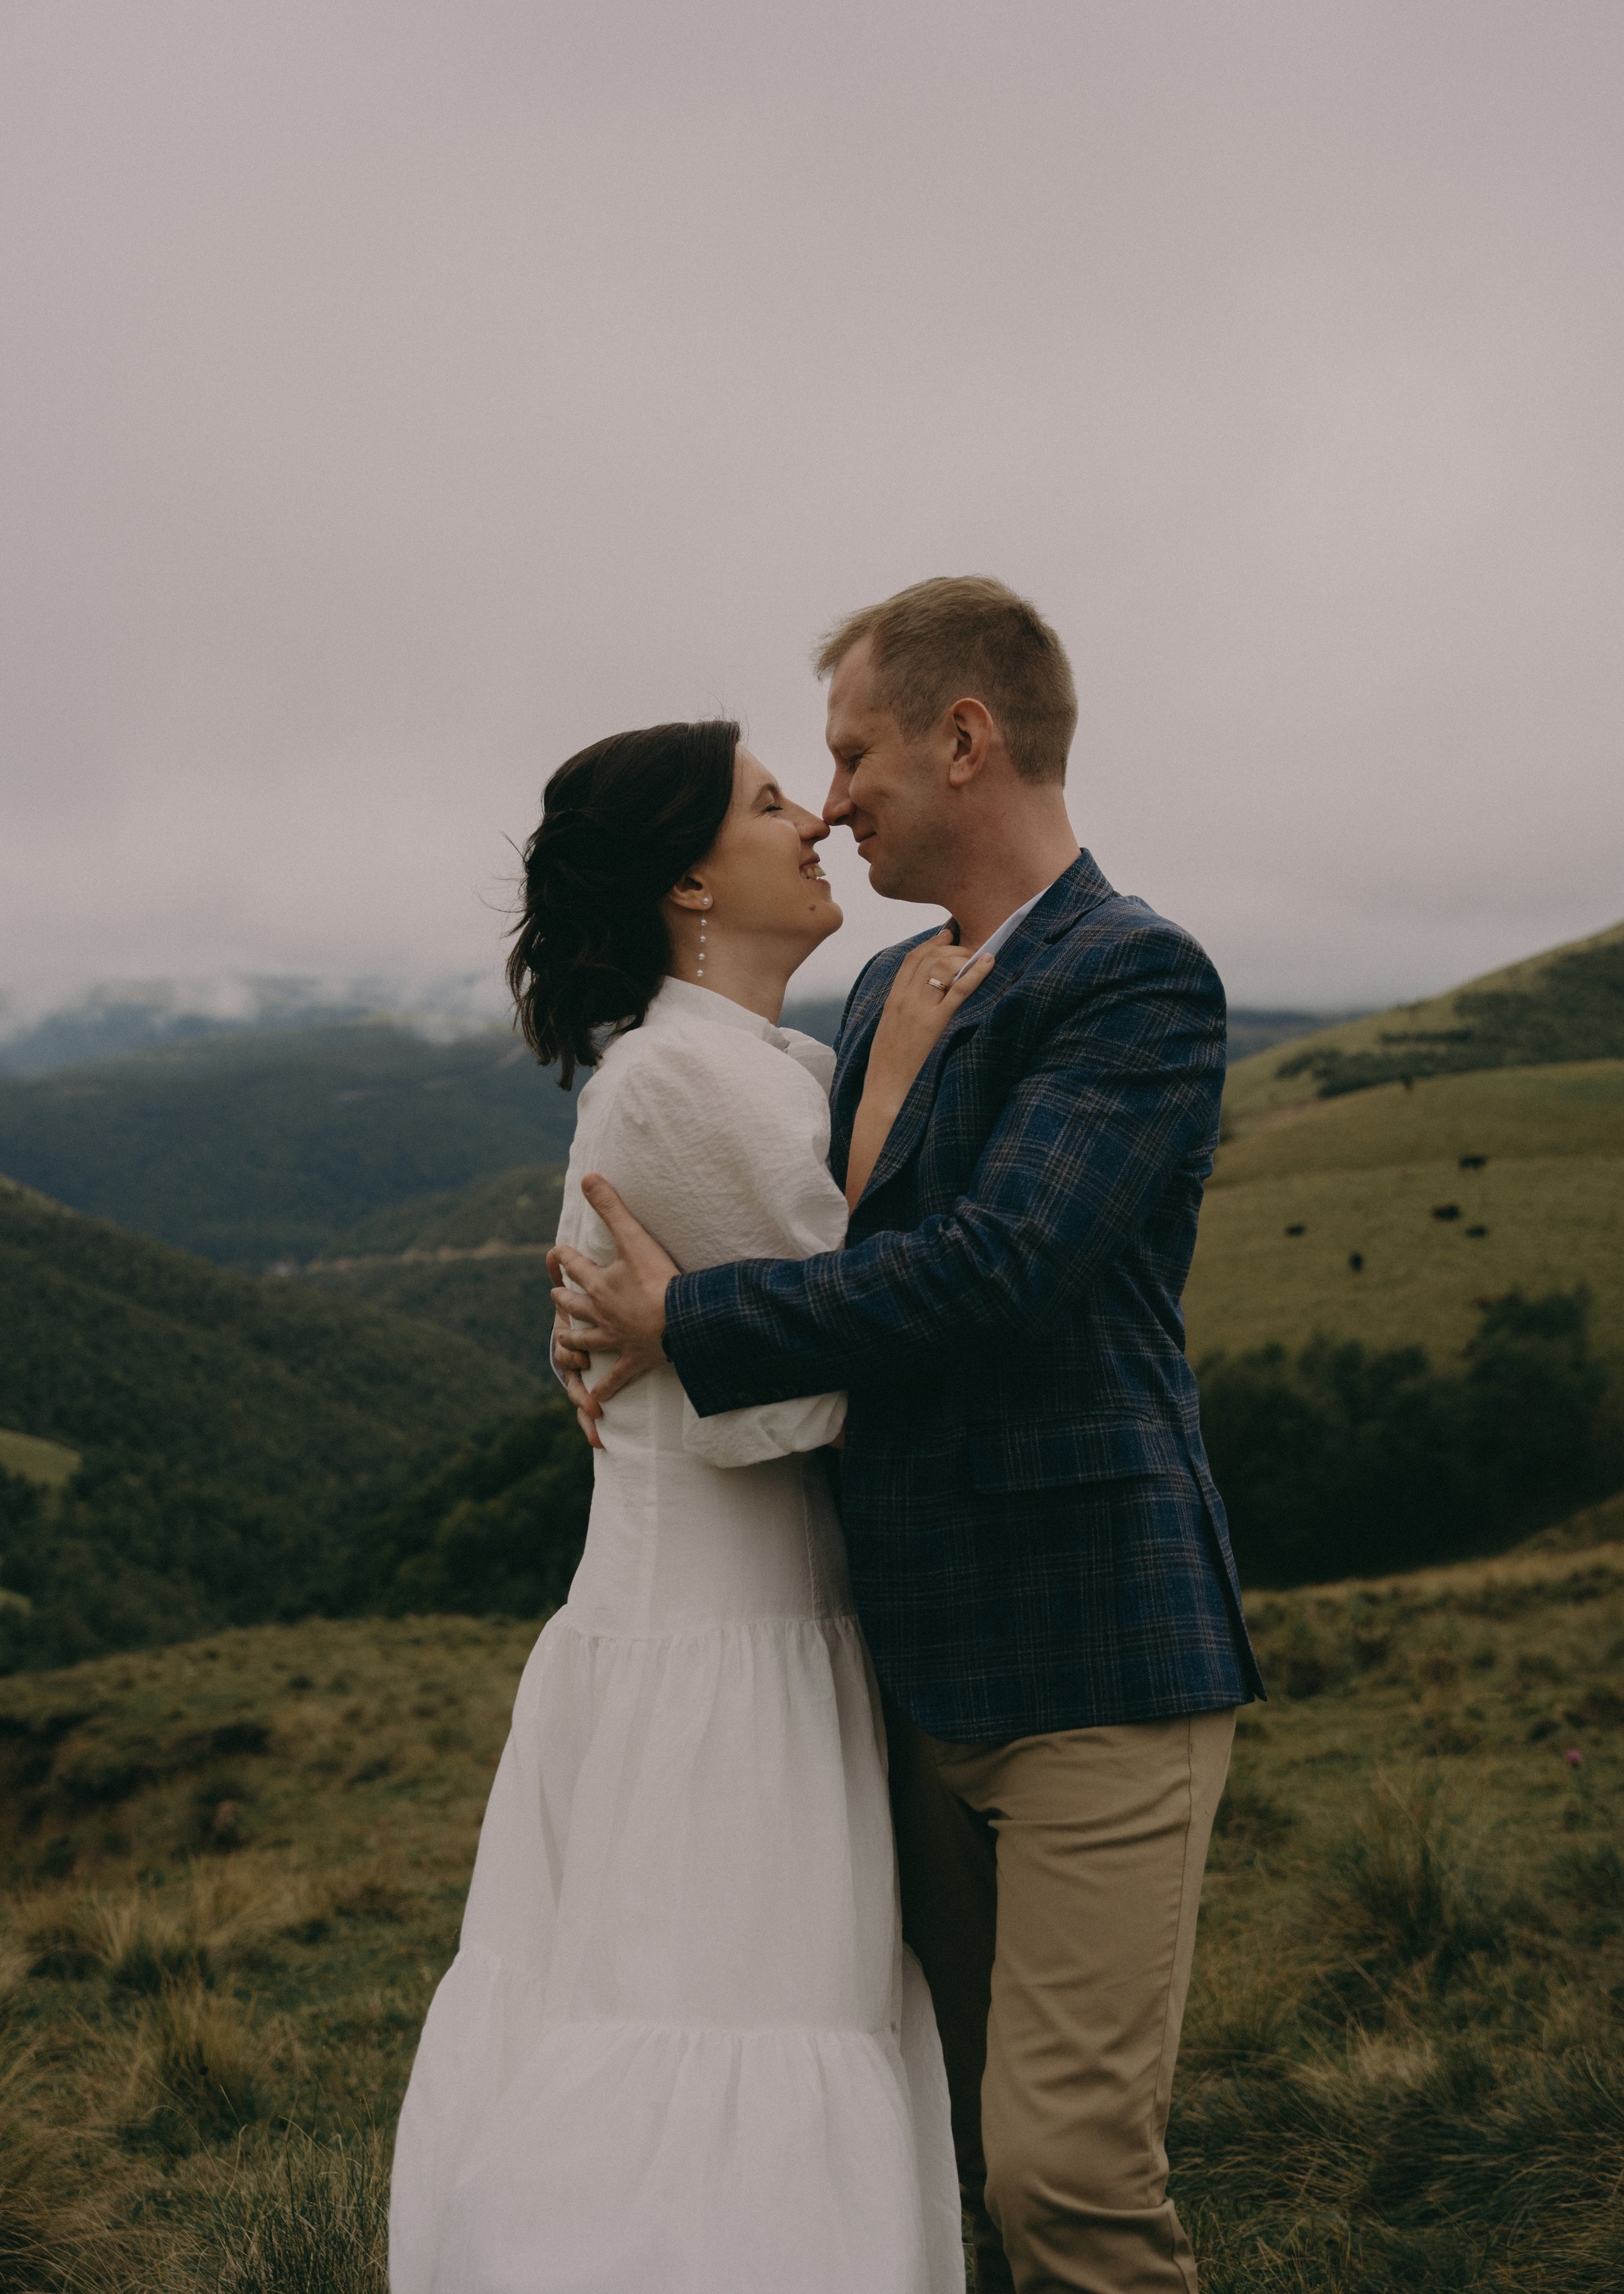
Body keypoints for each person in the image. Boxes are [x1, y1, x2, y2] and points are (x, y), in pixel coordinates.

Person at [554, 577, 1265, 2294]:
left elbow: (1001, 1269)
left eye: (853, 751)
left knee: (1066, 2172)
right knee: (941, 2151)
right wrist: (597, 1295)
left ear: (966, 737)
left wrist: (683, 1328)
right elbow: (803, 1224)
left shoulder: (1133, 976)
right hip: (905, 1673)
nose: (834, 796)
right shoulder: (875, 996)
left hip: (1094, 1652)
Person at [389, 720, 969, 2294]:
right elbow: (847, 1355)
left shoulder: (745, 1062)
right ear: (686, 883)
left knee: (750, 2020)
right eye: (770, 802)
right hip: (718, 1654)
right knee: (717, 2029)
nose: (814, 820)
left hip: (759, 1624)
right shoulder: (684, 1079)